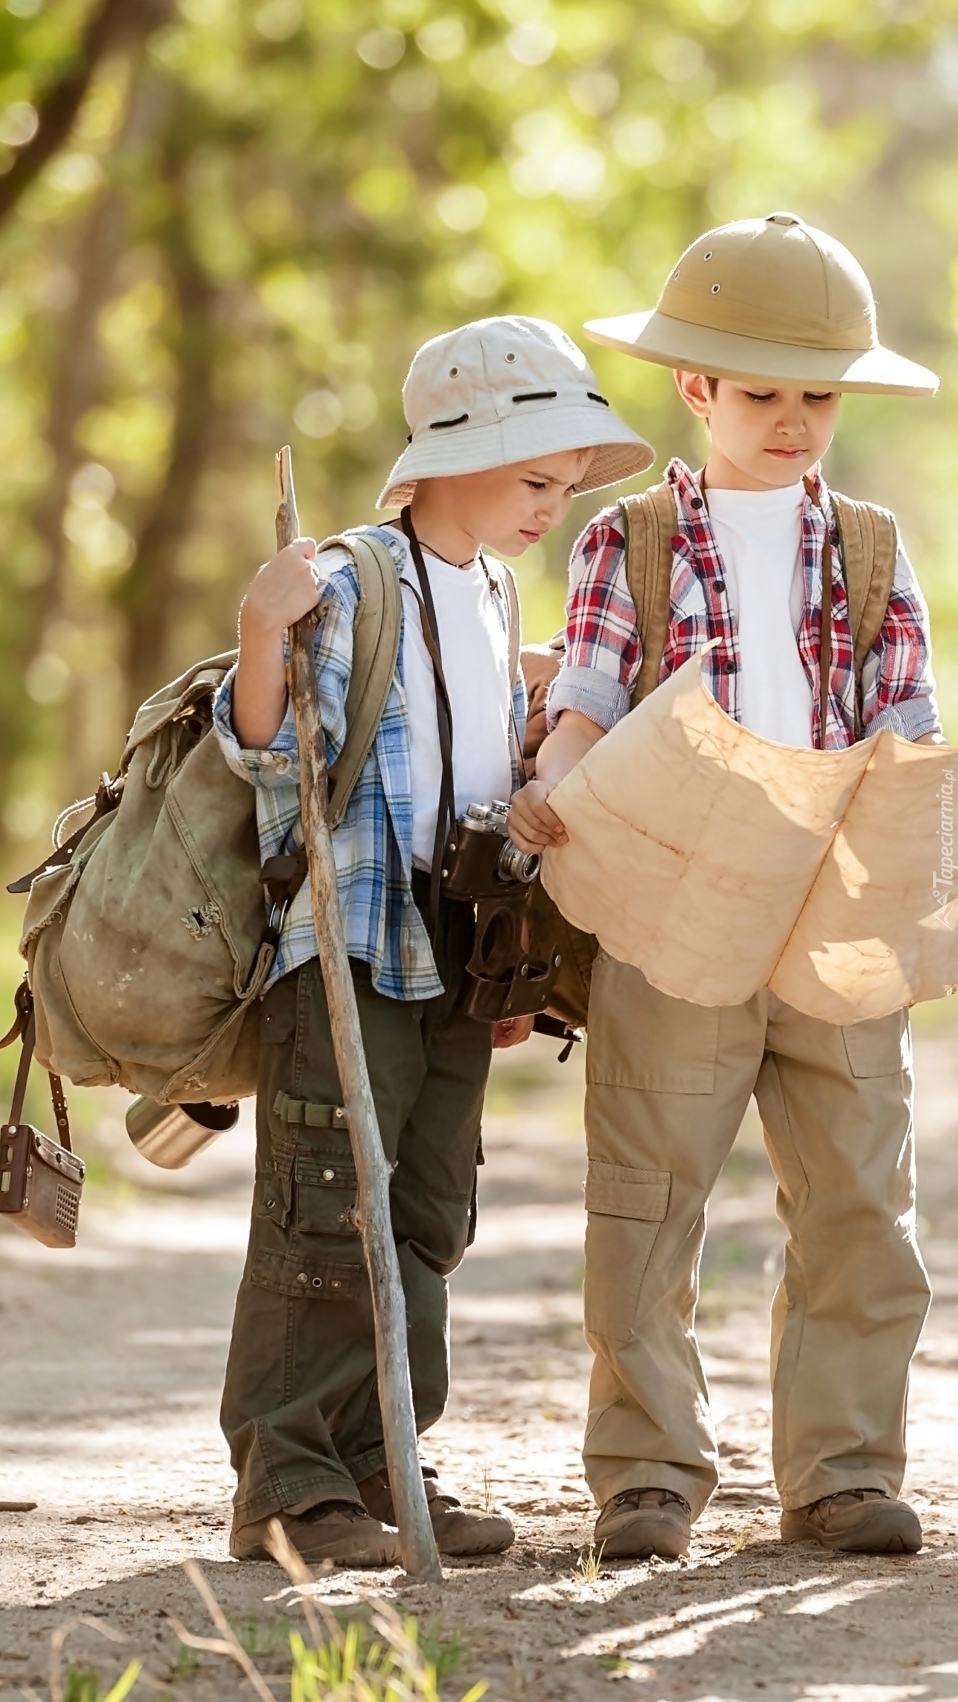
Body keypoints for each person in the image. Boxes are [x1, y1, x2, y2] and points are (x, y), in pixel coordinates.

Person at [509, 213, 944, 1560]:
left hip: (831, 909)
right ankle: (646, 1467)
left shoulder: (870, 550)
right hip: (674, 903)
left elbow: (909, 732)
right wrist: (549, 798)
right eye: (760, 393)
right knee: (647, 1190)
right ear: (694, 388)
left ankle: (841, 1466)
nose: (792, 421)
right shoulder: (624, 543)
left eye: (816, 396)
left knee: (858, 1194)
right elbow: (583, 698)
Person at [212, 315, 654, 1566]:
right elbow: (265, 753)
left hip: (454, 949)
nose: (549, 505)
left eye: (563, 486)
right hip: (350, 950)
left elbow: (472, 777)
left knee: (423, 1210)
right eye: (533, 477)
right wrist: (260, 636)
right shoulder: (351, 577)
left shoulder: (498, 589)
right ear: (451, 456)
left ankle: (383, 1456)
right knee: (324, 1205)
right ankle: (288, 1484)